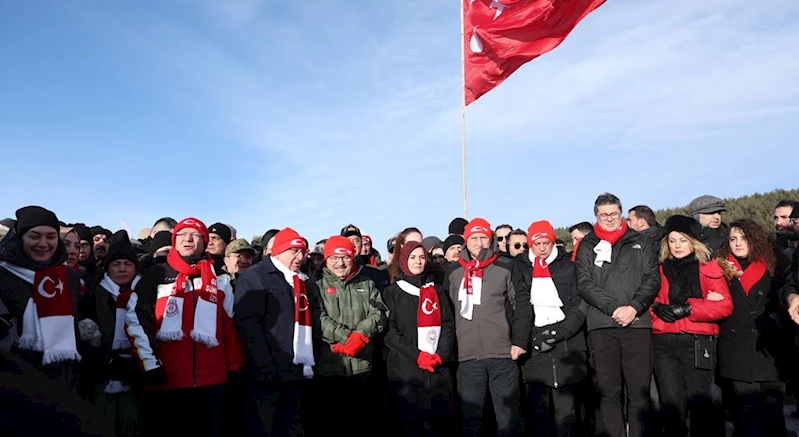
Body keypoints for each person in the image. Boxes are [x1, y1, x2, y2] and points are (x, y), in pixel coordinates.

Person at [129, 218, 244, 437]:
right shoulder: (156, 274)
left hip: (213, 382)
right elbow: (135, 319)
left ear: (204, 241)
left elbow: (230, 325)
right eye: (182, 234)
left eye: (195, 234)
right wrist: (150, 364)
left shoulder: (220, 278)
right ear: (174, 240)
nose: (188, 239)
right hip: (167, 381)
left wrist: (234, 366)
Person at [575, 193, 660, 437]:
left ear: (621, 214)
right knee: (608, 391)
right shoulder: (587, 245)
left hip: (637, 323)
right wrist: (614, 308)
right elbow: (584, 283)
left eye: (614, 214)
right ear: (596, 217)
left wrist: (633, 307)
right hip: (602, 325)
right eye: (604, 215)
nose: (609, 219)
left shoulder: (640, 241)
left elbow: (652, 278)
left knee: (639, 390)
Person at [445, 217, 530, 437]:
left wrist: (519, 341)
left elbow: (521, 305)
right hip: (467, 358)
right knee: (471, 422)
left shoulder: (505, 266)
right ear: (466, 241)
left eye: (484, 237)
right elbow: (448, 312)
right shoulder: (454, 272)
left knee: (508, 420)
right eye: (474, 237)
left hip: (502, 355)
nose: (479, 242)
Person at [650, 216, 732, 437]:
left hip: (697, 341)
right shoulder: (658, 269)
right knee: (670, 403)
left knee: (699, 402)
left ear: (693, 241)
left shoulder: (708, 267)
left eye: (683, 240)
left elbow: (724, 305)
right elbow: (647, 301)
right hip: (663, 342)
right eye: (672, 240)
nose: (677, 246)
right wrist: (656, 307)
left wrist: (689, 308)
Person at [234, 228, 312, 436]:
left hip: (295, 370)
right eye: (294, 251)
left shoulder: (300, 279)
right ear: (277, 251)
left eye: (303, 252)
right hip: (268, 371)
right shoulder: (256, 277)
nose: (299, 257)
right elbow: (248, 324)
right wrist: (263, 365)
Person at [513, 220, 587, 437]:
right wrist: (525, 339)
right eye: (538, 243)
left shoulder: (569, 267)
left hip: (567, 344)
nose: (543, 248)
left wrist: (560, 332)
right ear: (530, 244)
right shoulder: (520, 267)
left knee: (568, 413)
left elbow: (579, 304)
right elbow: (521, 306)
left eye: (547, 242)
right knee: (539, 412)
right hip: (535, 345)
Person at [717, 219, 791, 437]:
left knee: (773, 413)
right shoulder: (720, 268)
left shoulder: (776, 265)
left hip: (769, 347)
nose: (738, 243)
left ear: (755, 239)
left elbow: (786, 294)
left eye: (744, 238)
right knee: (747, 415)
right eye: (733, 239)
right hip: (736, 350)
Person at [382, 240, 456, 436]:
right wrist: (417, 356)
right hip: (406, 370)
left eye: (422, 257)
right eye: (413, 257)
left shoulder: (437, 290)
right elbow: (390, 331)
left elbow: (448, 324)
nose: (418, 262)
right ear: (404, 260)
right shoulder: (392, 293)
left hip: (437, 371)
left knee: (437, 427)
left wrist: (441, 354)